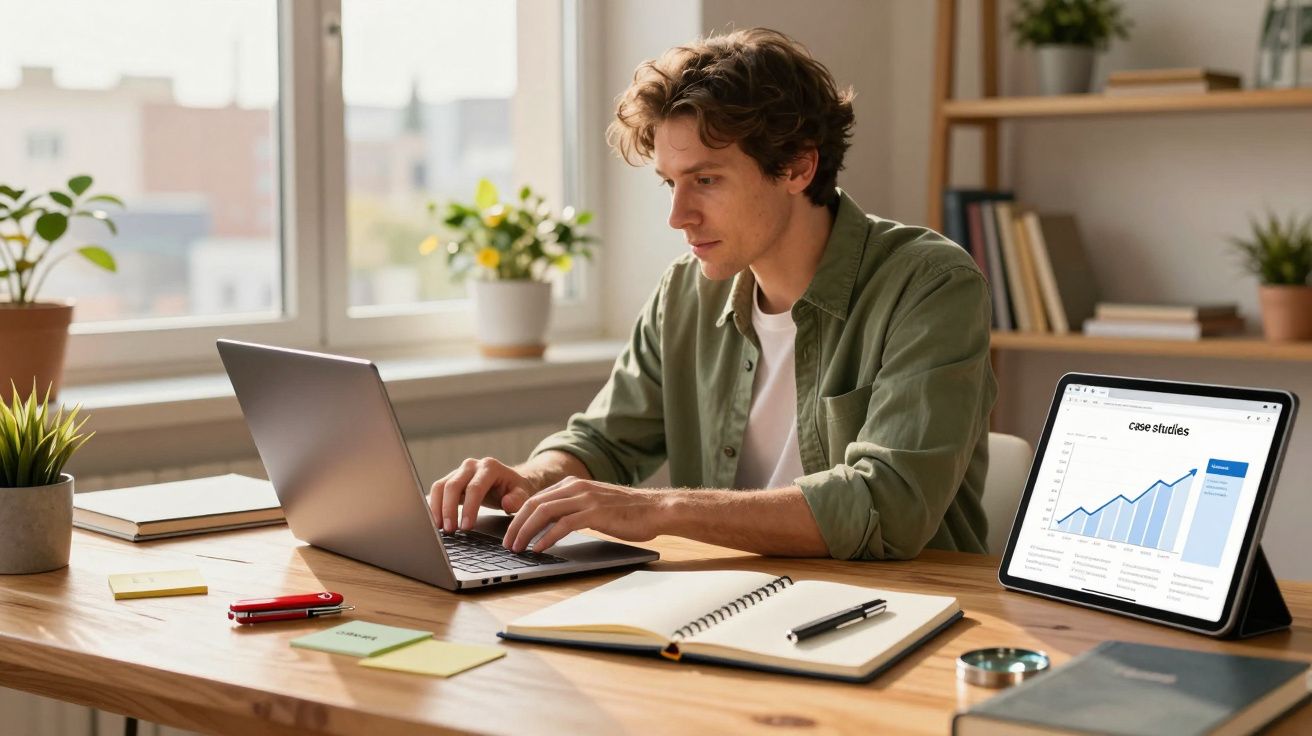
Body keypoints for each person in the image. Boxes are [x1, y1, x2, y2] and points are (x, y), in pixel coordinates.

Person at [429, 27, 996, 560]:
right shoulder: (685, 292)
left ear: (798, 167)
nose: (678, 216)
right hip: (734, 599)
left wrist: (659, 509)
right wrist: (532, 478)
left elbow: (888, 506)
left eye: (705, 180)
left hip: (904, 608)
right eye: (670, 183)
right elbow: (604, 441)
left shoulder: (929, 285)